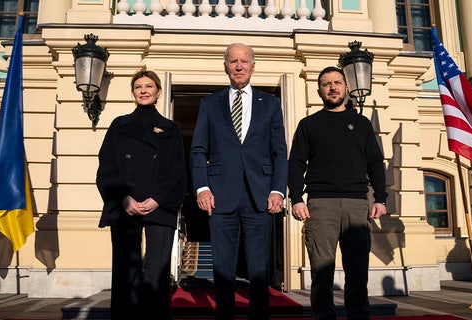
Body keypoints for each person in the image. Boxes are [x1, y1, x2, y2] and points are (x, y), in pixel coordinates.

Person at [190, 43, 288, 320]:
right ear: (226, 66)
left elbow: (279, 152)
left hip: (261, 196)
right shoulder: (210, 104)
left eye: (244, 61)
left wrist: (278, 190)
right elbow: (198, 149)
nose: (239, 66)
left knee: (258, 270)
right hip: (220, 196)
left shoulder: (270, 104)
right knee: (222, 269)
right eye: (233, 61)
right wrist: (202, 187)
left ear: (253, 66)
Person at [288, 66, 387, 320]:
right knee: (321, 273)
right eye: (326, 84)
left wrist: (381, 198)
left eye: (337, 82)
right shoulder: (309, 124)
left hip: (357, 205)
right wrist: (297, 199)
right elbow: (296, 163)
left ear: (345, 87)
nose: (332, 87)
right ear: (319, 90)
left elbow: (375, 162)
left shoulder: (362, 124)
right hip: (321, 206)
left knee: (358, 273)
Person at [96, 70, 187, 320]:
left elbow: (177, 171)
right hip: (125, 205)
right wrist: (124, 198)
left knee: (156, 273)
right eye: (138, 86)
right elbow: (106, 167)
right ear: (133, 92)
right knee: (126, 272)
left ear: (158, 92)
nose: (144, 90)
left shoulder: (171, 128)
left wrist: (157, 199)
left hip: (160, 205)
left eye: (149, 86)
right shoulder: (119, 125)